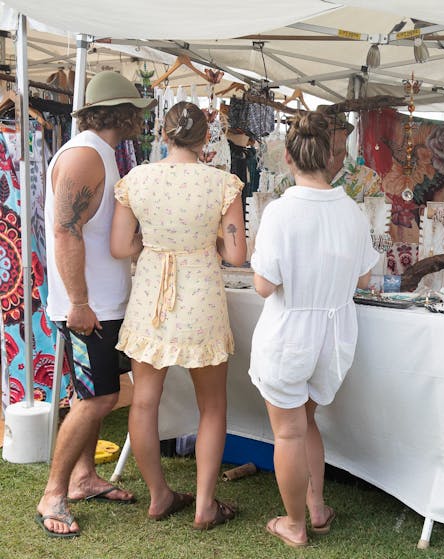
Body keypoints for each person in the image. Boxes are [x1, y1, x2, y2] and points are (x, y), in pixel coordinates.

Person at [109, 101, 246, 530]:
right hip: (201, 295)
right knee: (213, 405)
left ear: (163, 136)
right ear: (207, 139)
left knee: (145, 402)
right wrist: (213, 246)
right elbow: (238, 255)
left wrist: (149, 248)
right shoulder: (222, 184)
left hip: (151, 296)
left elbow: (118, 247)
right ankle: (205, 503)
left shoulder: (137, 180)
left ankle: (159, 495)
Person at [249, 111, 379, 548]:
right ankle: (317, 507)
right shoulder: (353, 212)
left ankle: (294, 523)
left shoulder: (281, 212)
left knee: (288, 432)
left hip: (289, 333)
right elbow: (363, 278)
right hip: (335, 335)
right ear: (330, 158)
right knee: (307, 423)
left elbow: (265, 286)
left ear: (288, 157)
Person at [37, 71, 155, 537]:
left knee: (95, 395)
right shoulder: (86, 155)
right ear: (120, 113)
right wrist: (80, 302)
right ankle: (53, 493)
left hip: (102, 302)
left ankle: (84, 478)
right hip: (90, 307)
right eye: (136, 112)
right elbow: (66, 231)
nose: (141, 121)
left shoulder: (97, 152)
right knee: (98, 397)